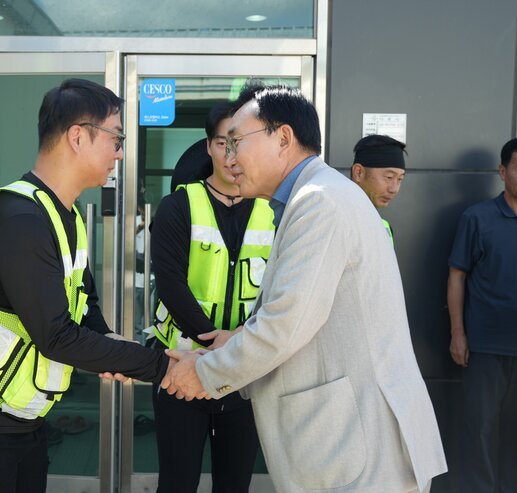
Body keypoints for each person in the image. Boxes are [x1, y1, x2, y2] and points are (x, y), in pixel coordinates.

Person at [161, 82, 447, 493]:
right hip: (350, 445)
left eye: (238, 142)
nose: (229, 157)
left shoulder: (320, 202)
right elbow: (304, 314)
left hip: (358, 449)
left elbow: (285, 325)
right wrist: (234, 340)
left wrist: (204, 374)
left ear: (283, 138)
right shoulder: (314, 197)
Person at [0, 79, 170, 493]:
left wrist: (109, 341)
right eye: (116, 138)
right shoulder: (19, 218)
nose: (120, 153)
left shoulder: (65, 216)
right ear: (77, 137)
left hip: (21, 417)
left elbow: (83, 303)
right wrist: (160, 367)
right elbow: (56, 335)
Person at [150, 102, 273, 492]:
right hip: (181, 369)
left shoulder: (273, 211)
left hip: (244, 373)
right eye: (223, 143)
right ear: (208, 147)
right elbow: (170, 285)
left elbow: (280, 292)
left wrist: (234, 352)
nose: (232, 156)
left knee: (235, 482)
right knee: (177, 481)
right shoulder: (178, 206)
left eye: (240, 143)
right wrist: (216, 346)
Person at [447, 136, 517, 493]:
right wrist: (458, 333)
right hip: (484, 346)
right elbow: (457, 276)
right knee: (479, 431)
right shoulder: (477, 218)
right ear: (502, 171)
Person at [350, 134, 406, 244]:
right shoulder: (335, 221)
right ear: (358, 172)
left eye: (400, 179)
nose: (394, 189)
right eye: (389, 177)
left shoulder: (384, 227)